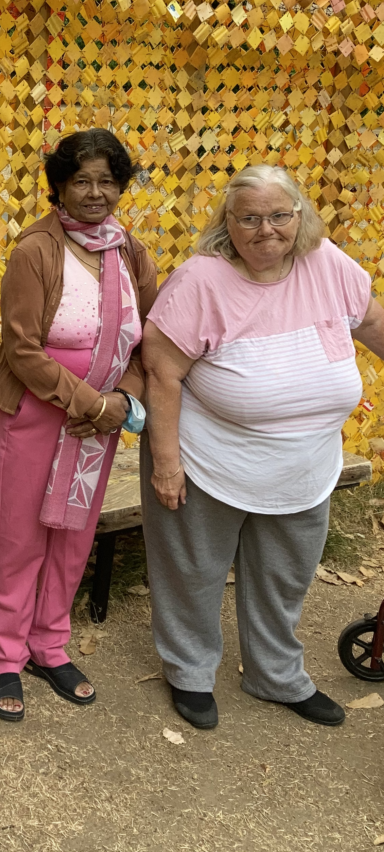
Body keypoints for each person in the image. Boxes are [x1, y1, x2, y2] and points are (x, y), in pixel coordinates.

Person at [142, 164, 384, 730]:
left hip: (305, 467)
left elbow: (372, 322)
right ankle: (190, 673)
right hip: (209, 462)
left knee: (285, 576)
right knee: (193, 573)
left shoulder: (328, 263)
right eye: (248, 217)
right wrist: (166, 465)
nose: (265, 229)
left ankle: (275, 674)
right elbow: (160, 372)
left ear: (299, 217)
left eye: (278, 215)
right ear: (228, 222)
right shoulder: (202, 280)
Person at [0, 130, 157, 721]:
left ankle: (48, 645)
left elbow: (148, 343)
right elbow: (22, 349)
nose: (95, 192)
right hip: (37, 413)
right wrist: (90, 403)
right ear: (59, 186)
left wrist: (121, 401)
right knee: (22, 535)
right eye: (82, 180)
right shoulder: (36, 250)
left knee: (73, 533)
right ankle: (5, 655)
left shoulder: (130, 252)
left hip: (100, 421)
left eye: (107, 180)